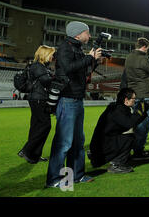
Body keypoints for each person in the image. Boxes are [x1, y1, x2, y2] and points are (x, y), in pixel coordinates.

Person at [46, 21, 102, 188]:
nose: (89, 36)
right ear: (77, 34)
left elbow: (83, 70)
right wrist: (89, 57)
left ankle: (76, 175)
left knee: (78, 141)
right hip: (67, 99)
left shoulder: (76, 48)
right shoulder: (65, 47)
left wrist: (94, 60)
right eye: (87, 32)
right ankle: (54, 179)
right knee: (64, 142)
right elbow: (69, 68)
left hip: (76, 98)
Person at [89, 88, 147, 174]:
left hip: (102, 143)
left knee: (128, 135)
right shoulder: (117, 110)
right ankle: (116, 165)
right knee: (129, 138)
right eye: (133, 99)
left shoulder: (117, 107)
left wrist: (143, 113)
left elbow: (132, 122)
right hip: (102, 145)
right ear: (126, 100)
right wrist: (139, 111)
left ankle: (98, 156)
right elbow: (129, 124)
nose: (135, 101)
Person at [18, 45, 56, 164]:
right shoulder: (38, 66)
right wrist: (57, 78)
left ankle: (34, 155)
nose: (53, 57)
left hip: (37, 98)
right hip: (39, 99)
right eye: (51, 54)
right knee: (45, 125)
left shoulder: (40, 66)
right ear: (45, 54)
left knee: (36, 126)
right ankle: (26, 150)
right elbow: (46, 81)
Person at [124, 37, 149, 160]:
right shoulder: (142, 59)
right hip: (145, 95)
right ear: (144, 47)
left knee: (135, 123)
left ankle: (131, 149)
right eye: (147, 48)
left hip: (134, 94)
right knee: (143, 125)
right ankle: (138, 151)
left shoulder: (129, 58)